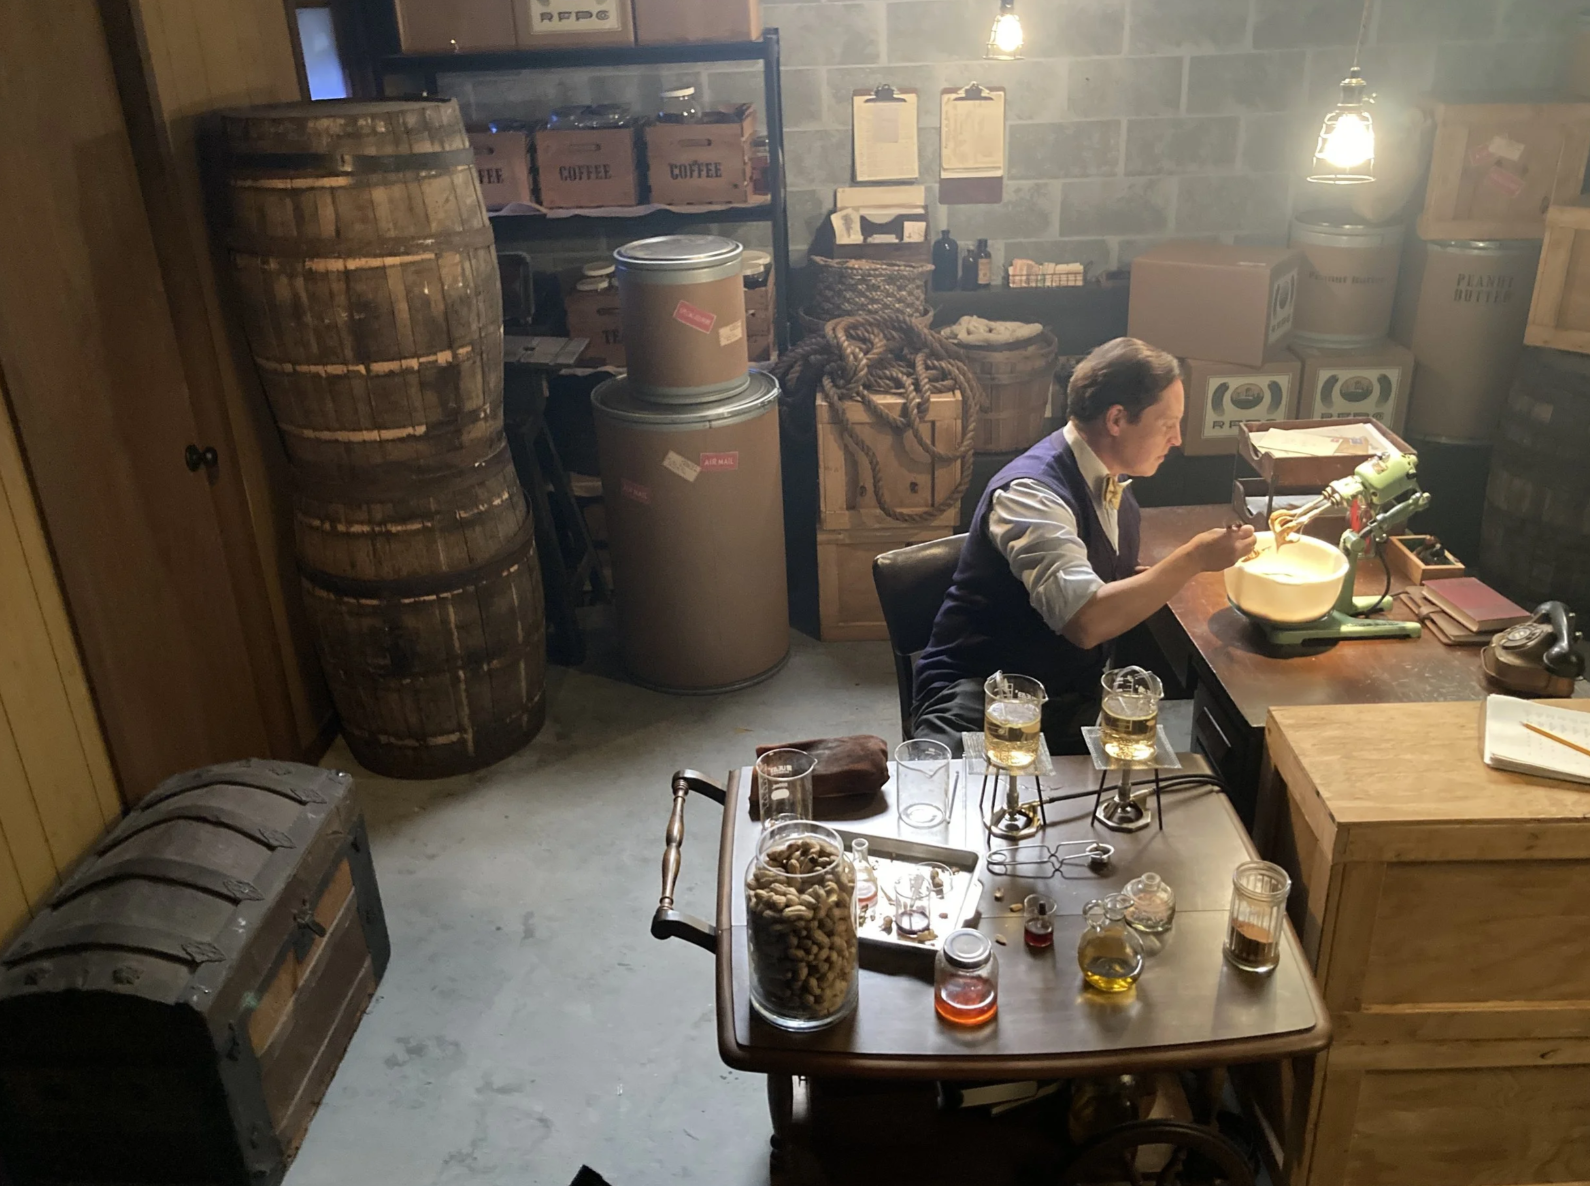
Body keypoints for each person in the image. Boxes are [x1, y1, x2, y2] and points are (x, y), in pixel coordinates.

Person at [911, 337, 1256, 757]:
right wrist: (1193, 558)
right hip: (981, 702)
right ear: (1116, 419)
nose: (1178, 440)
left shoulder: (1108, 479)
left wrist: (1168, 575)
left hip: (1065, 701)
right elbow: (1085, 621)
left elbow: (1103, 579)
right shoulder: (1030, 495)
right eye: (1168, 424)